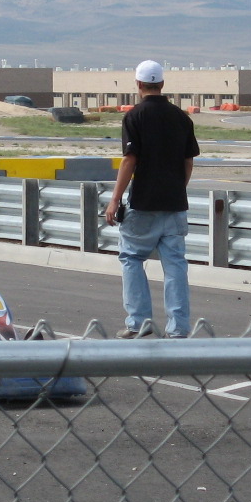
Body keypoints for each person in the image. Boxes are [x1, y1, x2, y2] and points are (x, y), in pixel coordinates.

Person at [105, 59, 201, 338]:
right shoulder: (181, 118)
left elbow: (129, 160)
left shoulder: (134, 116)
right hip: (174, 205)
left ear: (138, 84)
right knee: (175, 265)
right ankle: (178, 327)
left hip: (142, 204)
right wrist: (177, 188)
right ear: (162, 84)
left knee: (131, 258)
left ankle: (138, 323)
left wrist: (115, 200)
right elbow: (188, 161)